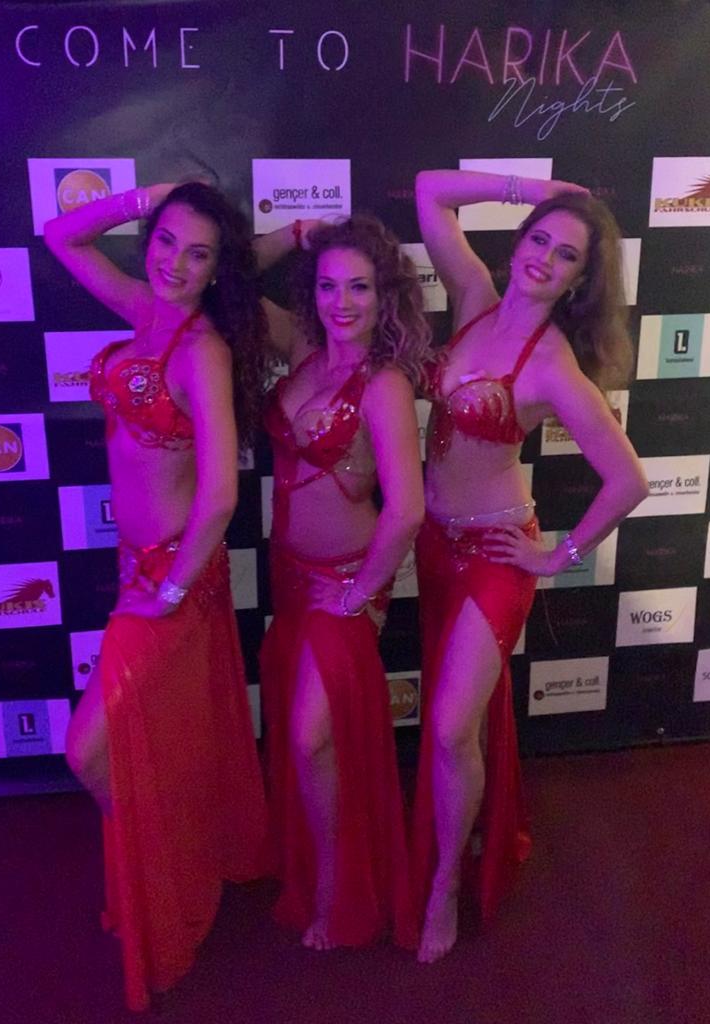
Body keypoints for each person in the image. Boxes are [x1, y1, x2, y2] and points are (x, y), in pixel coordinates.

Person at [411, 170, 649, 963]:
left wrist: (557, 556)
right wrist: (530, 190)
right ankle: (467, 829)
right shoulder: (473, 296)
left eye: (566, 254)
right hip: (434, 545)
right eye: (539, 240)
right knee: (459, 723)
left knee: (451, 726)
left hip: (495, 556)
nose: (544, 257)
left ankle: (446, 883)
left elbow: (629, 480)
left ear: (580, 280)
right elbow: (430, 192)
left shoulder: (552, 368)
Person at [44, 181, 269, 1010]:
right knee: (160, 734)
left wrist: (172, 588)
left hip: (175, 577)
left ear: (217, 270)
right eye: (167, 241)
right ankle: (167, 852)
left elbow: (220, 493)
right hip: (136, 566)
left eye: (197, 253)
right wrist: (149, 197)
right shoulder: (141, 306)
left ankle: (160, 859)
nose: (175, 262)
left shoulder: (204, 351)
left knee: (88, 750)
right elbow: (61, 235)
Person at [256, 216, 430, 951]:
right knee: (302, 741)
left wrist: (361, 594)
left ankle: (336, 885)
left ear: (385, 295)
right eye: (328, 286)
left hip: (343, 584)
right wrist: (293, 234)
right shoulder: (301, 350)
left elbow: (408, 508)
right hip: (289, 579)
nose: (342, 303)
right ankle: (311, 862)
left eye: (359, 287)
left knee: (311, 737)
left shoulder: (383, 385)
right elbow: (228, 283)